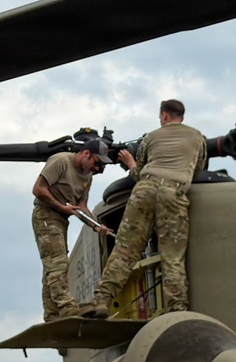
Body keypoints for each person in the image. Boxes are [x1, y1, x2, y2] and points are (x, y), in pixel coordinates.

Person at [83, 100, 207, 318]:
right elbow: (198, 168)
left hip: (144, 190)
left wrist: (130, 163)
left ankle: (102, 300)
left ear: (164, 116)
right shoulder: (198, 137)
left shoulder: (151, 137)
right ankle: (177, 309)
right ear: (181, 116)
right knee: (172, 256)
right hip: (173, 193)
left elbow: (138, 172)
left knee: (125, 250)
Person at [32, 138, 113, 322]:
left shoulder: (88, 176)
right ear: (86, 154)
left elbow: (81, 207)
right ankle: (67, 307)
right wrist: (61, 206)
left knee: (52, 266)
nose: (97, 168)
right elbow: (38, 189)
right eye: (96, 162)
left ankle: (52, 314)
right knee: (58, 262)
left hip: (62, 220)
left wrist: (96, 225)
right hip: (46, 215)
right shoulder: (61, 161)